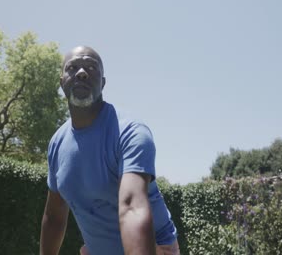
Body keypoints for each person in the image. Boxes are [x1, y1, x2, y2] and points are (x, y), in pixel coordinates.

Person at [40, 46, 180, 255]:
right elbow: (54, 217)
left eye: (91, 67)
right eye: (73, 67)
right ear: (61, 82)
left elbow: (132, 206)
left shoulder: (131, 132)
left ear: (103, 83)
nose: (81, 72)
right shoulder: (57, 144)